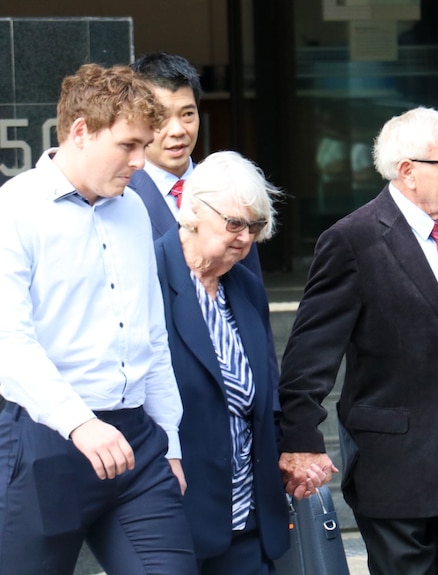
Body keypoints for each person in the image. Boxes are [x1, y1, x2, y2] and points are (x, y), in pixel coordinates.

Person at [277, 106, 438, 575]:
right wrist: (300, 439)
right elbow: (309, 356)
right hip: (393, 471)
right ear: (408, 171)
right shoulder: (352, 240)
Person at [0, 63, 196, 574]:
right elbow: (8, 342)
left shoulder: (133, 209)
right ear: (82, 130)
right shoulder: (13, 209)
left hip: (137, 443)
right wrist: (80, 423)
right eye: (128, 145)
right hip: (43, 437)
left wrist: (169, 441)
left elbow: (152, 334)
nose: (140, 161)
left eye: (144, 146)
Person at [153, 151, 300, 574]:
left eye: (254, 226)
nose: (245, 238)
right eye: (234, 224)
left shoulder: (245, 287)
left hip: (247, 513)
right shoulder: (148, 275)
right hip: (176, 512)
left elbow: (266, 391)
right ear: (194, 212)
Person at [129, 52, 280, 413]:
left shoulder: (232, 188)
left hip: (238, 397)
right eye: (160, 117)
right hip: (164, 400)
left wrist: (273, 410)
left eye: (187, 114)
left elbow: (255, 312)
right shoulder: (121, 199)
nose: (177, 130)